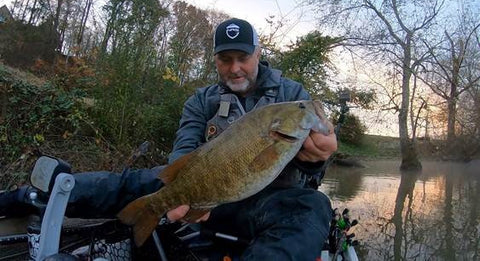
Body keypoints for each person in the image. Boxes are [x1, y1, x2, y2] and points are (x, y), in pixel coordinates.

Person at [0, 18, 337, 260]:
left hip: (260, 202)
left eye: (242, 58)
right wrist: (182, 198)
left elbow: (307, 178)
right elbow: (183, 155)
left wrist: (319, 160)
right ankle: (29, 195)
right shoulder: (201, 100)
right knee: (130, 182)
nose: (235, 68)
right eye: (225, 59)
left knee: (313, 208)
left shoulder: (293, 97)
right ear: (216, 60)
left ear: (257, 53)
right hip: (202, 187)